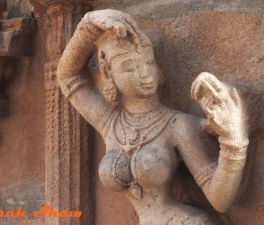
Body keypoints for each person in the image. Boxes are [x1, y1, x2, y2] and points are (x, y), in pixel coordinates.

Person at [56, 9, 249, 225]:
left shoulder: (178, 125)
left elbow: (219, 200)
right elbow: (67, 77)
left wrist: (233, 141)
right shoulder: (110, 123)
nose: (144, 74)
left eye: (148, 63)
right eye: (130, 67)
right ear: (108, 73)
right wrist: (90, 25)